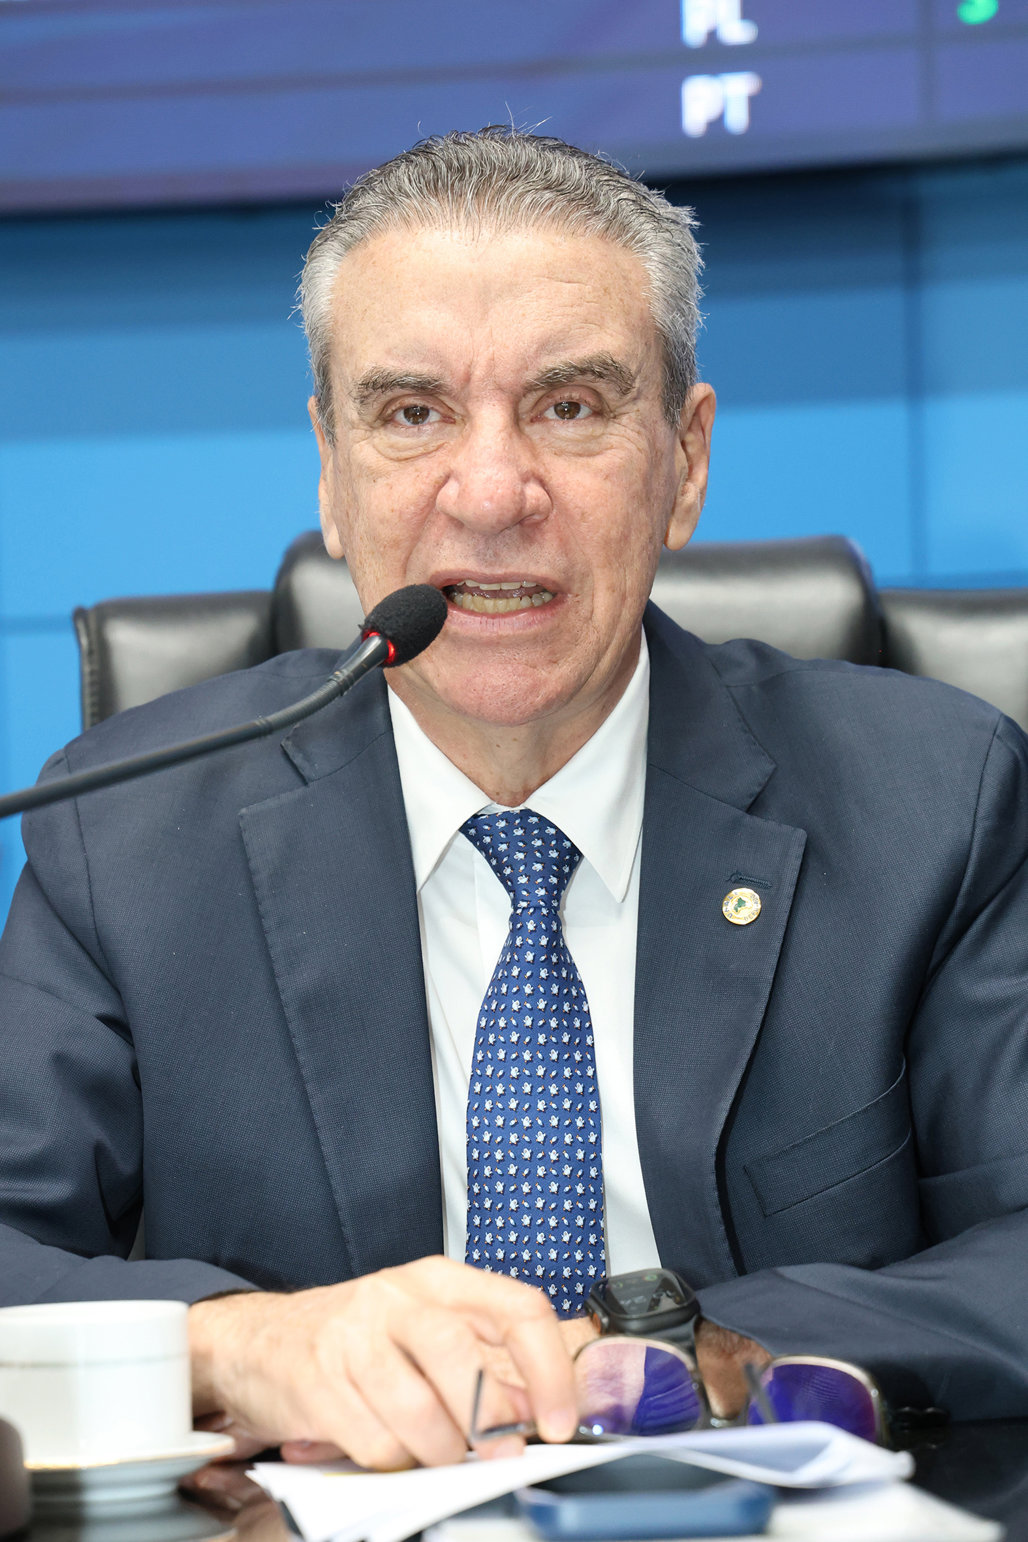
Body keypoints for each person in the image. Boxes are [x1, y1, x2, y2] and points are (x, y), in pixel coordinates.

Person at [2, 129, 1028, 1472]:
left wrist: (678, 1354)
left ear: (686, 460)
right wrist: (236, 1343)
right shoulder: (124, 832)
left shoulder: (934, 800)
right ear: (330, 467)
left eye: (572, 406)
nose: (490, 494)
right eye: (411, 413)